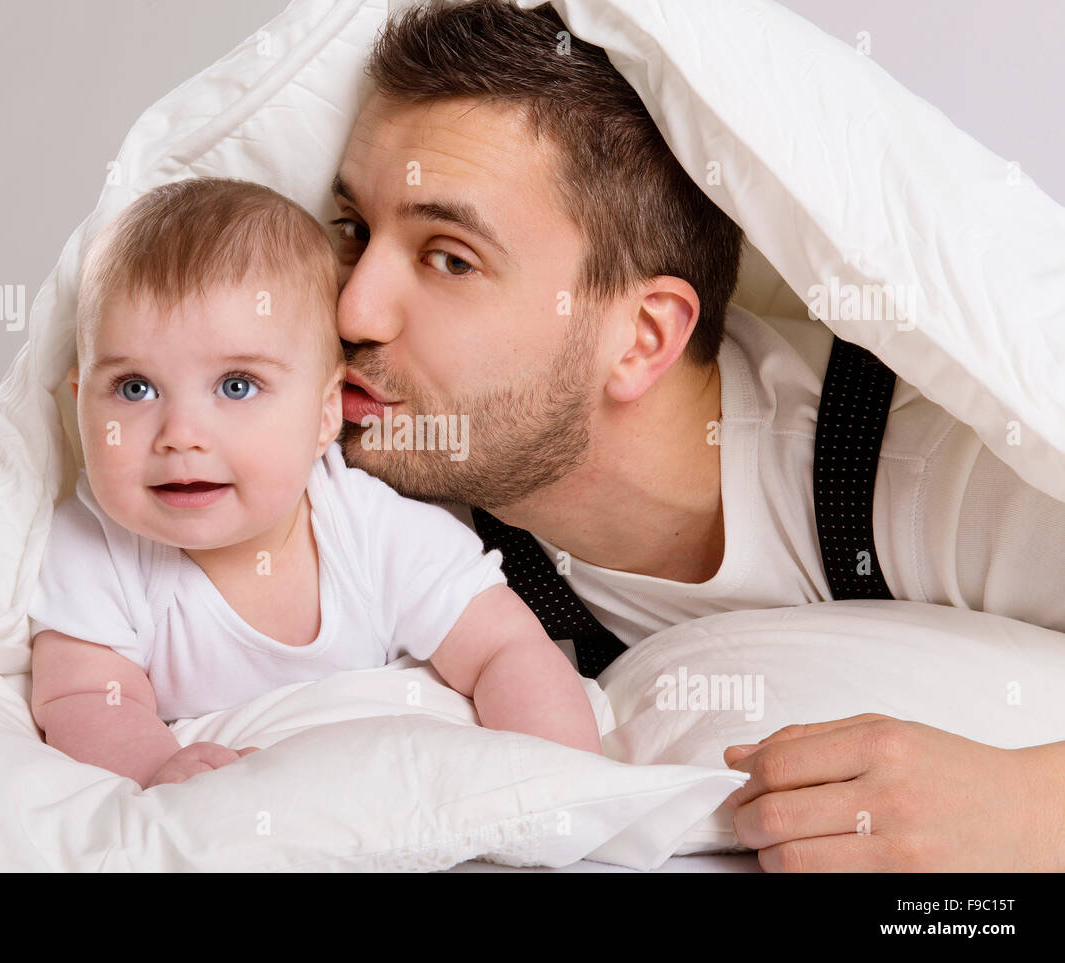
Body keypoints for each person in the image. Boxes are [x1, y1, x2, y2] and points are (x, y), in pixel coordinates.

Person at [330, 0, 1065, 870]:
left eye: (449, 257)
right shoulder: (374, 506)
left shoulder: (937, 464)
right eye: (352, 232)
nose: (352, 309)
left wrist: (1029, 808)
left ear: (643, 337)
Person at [25, 176, 601, 791]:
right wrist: (154, 769)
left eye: (236, 386)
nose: (180, 435)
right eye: (135, 388)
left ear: (326, 412)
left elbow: (504, 650)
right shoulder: (97, 548)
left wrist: (557, 782)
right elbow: (83, 694)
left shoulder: (371, 531)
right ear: (82, 403)